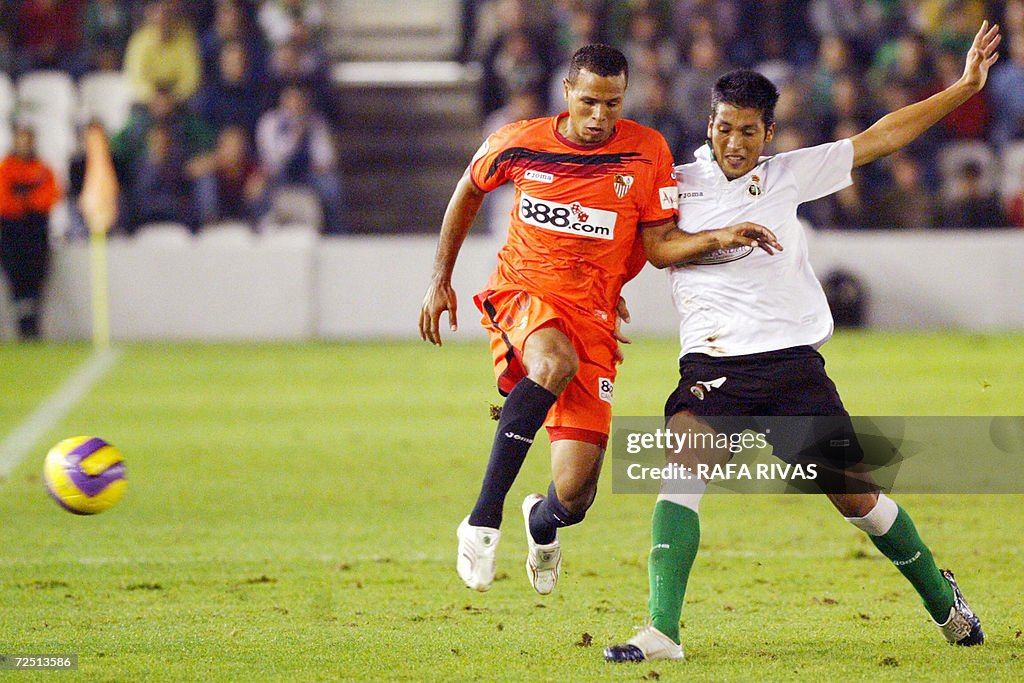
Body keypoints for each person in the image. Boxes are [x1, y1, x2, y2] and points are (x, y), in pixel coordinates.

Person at [604, 20, 1000, 663]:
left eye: (749, 131)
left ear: (768, 133)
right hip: (714, 360)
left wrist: (961, 89)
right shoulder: (675, 184)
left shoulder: (790, 174)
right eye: (725, 126)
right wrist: (631, 278)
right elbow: (646, 247)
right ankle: (661, 631)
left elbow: (881, 137)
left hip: (791, 366)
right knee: (683, 463)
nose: (735, 141)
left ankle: (942, 597)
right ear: (709, 123)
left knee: (858, 500)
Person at [418, 44, 778, 596]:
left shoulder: (646, 151)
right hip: (524, 293)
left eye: (612, 104)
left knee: (576, 494)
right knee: (552, 361)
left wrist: (716, 238)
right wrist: (441, 278)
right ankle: (481, 520)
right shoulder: (520, 142)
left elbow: (655, 245)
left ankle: (539, 523)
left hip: (592, 317)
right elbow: (469, 188)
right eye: (589, 102)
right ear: (567, 93)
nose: (600, 117)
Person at [0, 125, 61, 339]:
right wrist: (25, 203)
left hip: (36, 233)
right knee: (17, 281)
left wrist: (26, 202)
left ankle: (33, 326)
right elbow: (4, 202)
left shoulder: (43, 169)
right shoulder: (6, 168)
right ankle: (22, 326)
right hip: (11, 233)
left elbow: (50, 196)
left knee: (36, 279)